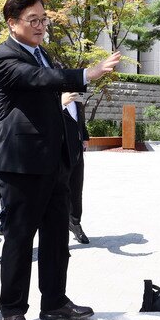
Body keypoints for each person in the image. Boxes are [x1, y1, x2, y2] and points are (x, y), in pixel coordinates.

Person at [0, 0, 119, 320]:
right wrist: (87, 73)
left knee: (56, 237)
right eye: (33, 20)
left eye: (43, 19)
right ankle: (13, 310)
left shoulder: (42, 53)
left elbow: (53, 84)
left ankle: (55, 301)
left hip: (53, 162)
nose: (40, 26)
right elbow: (40, 80)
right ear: (12, 23)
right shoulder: (4, 56)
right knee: (18, 239)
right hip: (20, 166)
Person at [62, 89, 90, 245]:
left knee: (77, 188)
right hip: (61, 152)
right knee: (60, 190)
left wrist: (85, 136)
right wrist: (61, 104)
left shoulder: (77, 99)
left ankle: (75, 222)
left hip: (77, 151)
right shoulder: (55, 98)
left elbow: (80, 120)